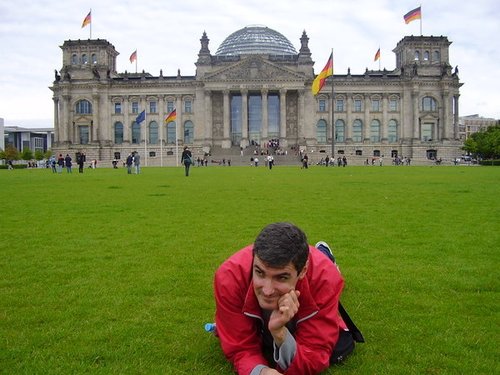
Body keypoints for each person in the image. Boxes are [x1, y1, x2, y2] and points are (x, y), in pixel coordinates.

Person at [213, 222, 361, 375]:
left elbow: (315, 353)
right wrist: (262, 372)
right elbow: (240, 348)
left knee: (341, 348)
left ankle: (324, 253)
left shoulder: (325, 278)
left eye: (281, 277)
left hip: (319, 266)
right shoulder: (229, 278)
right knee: (265, 347)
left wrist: (279, 334)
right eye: (260, 272)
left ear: (303, 271)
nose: (267, 290)